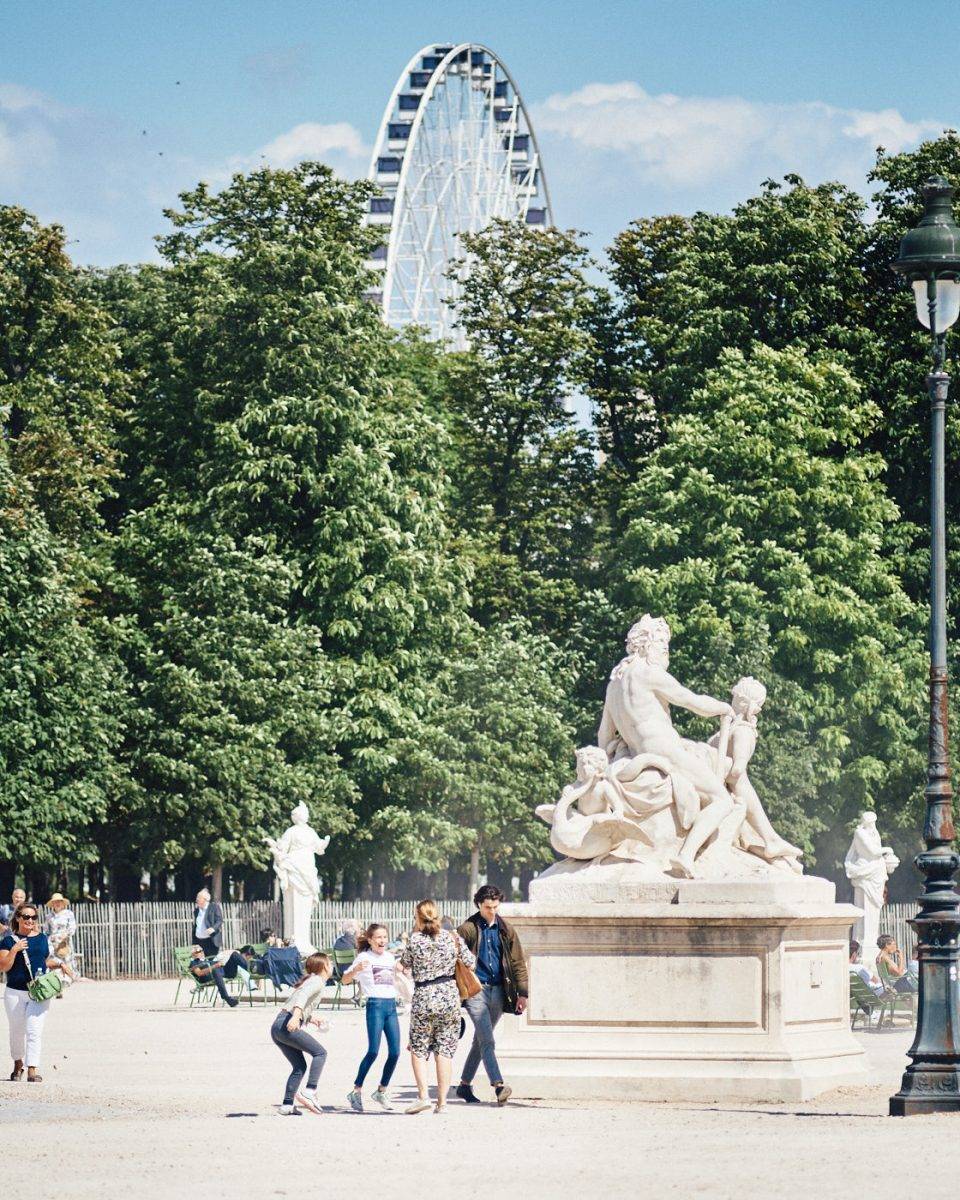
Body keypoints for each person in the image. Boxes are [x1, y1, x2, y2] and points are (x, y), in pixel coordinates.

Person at [401, 898, 477, 1115]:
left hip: (424, 996)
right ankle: (442, 1103)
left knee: (418, 1048)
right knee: (444, 1051)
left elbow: (404, 964)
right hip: (449, 996)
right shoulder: (452, 938)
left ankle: (423, 1096)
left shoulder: (415, 941)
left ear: (418, 917)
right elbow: (471, 963)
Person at [456, 884, 528, 1106]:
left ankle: (464, 1086)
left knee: (480, 1041)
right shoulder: (467, 929)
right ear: (479, 904)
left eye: (496, 907)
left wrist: (522, 993)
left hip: (499, 991)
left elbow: (517, 962)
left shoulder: (506, 929)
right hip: (475, 990)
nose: (492, 911)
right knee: (487, 1038)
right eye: (488, 907)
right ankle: (498, 1086)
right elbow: (454, 959)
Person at [0, 902, 71, 1082]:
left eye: (33, 917)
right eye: (26, 917)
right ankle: (18, 1063)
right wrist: (15, 950)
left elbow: (42, 962)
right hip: (15, 992)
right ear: (18, 918)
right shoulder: (8, 941)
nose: (30, 920)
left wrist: (60, 964)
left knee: (34, 1029)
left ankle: (32, 1068)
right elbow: (4, 966)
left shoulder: (42, 939)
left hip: (38, 992)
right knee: (17, 1030)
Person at [344, 923, 404, 1112]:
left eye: (385, 937)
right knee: (373, 1051)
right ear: (369, 940)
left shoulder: (390, 957)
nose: (382, 940)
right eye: (378, 937)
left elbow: (396, 977)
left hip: (391, 1005)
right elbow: (345, 979)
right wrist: (355, 970)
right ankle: (356, 1090)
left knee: (395, 1052)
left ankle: (381, 1090)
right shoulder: (364, 957)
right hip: (375, 1005)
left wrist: (401, 971)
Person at [270, 952, 332, 1116]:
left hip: (278, 1025)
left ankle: (287, 1105)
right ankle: (310, 1091)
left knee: (299, 1067)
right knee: (320, 1053)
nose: (331, 966)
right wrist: (297, 1017)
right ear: (324, 966)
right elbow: (302, 998)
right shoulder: (317, 981)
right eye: (330, 963)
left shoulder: (312, 981)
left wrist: (310, 1018)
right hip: (286, 1023)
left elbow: (295, 1003)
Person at [44, 893, 79, 979]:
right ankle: (55, 981)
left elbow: (72, 927)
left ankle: (69, 979)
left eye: (59, 901)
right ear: (52, 904)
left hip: (64, 941)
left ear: (63, 903)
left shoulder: (68, 914)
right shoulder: (49, 916)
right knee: (54, 962)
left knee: (66, 960)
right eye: (55, 902)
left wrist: (66, 935)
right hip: (52, 944)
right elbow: (46, 931)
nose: (57, 903)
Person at [191, 889, 223, 957]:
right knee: (200, 963)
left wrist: (213, 928)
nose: (196, 899)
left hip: (210, 941)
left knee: (211, 962)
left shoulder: (214, 907)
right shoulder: (196, 910)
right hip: (199, 942)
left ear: (205, 899)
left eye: (199, 897)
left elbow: (219, 920)